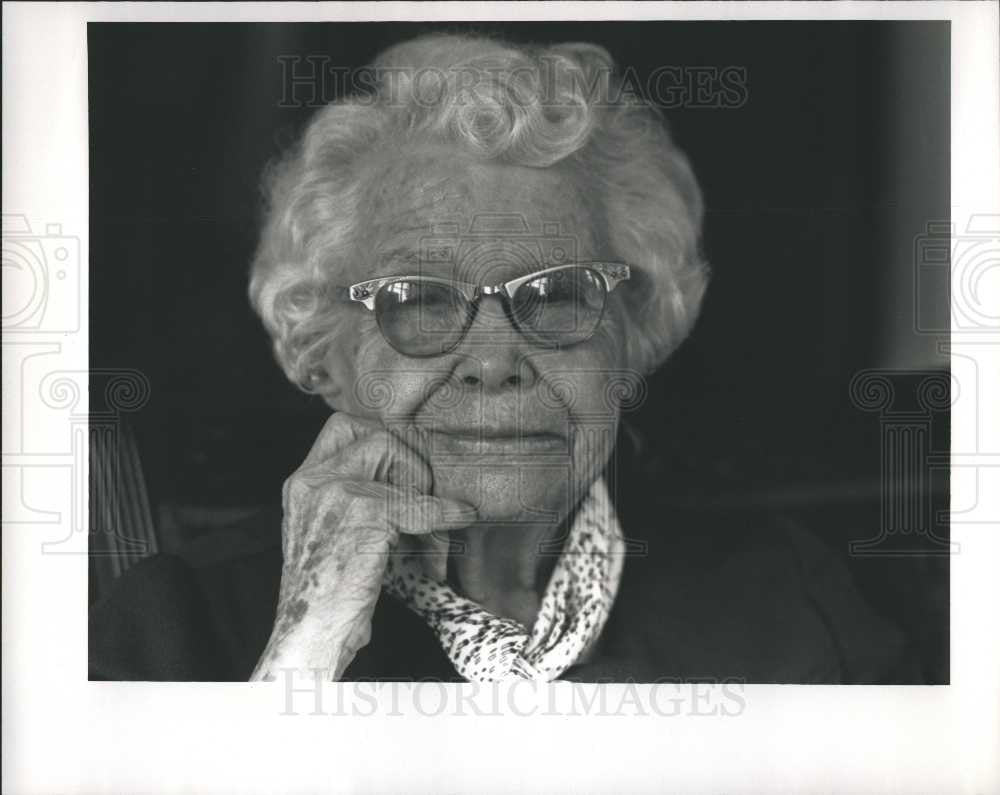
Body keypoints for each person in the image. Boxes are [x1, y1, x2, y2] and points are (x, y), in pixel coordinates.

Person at [89, 33, 918, 683]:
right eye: (417, 299)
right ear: (323, 355)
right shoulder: (180, 625)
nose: (494, 361)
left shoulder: (795, 604)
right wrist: (310, 645)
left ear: (631, 338)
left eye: (556, 295)